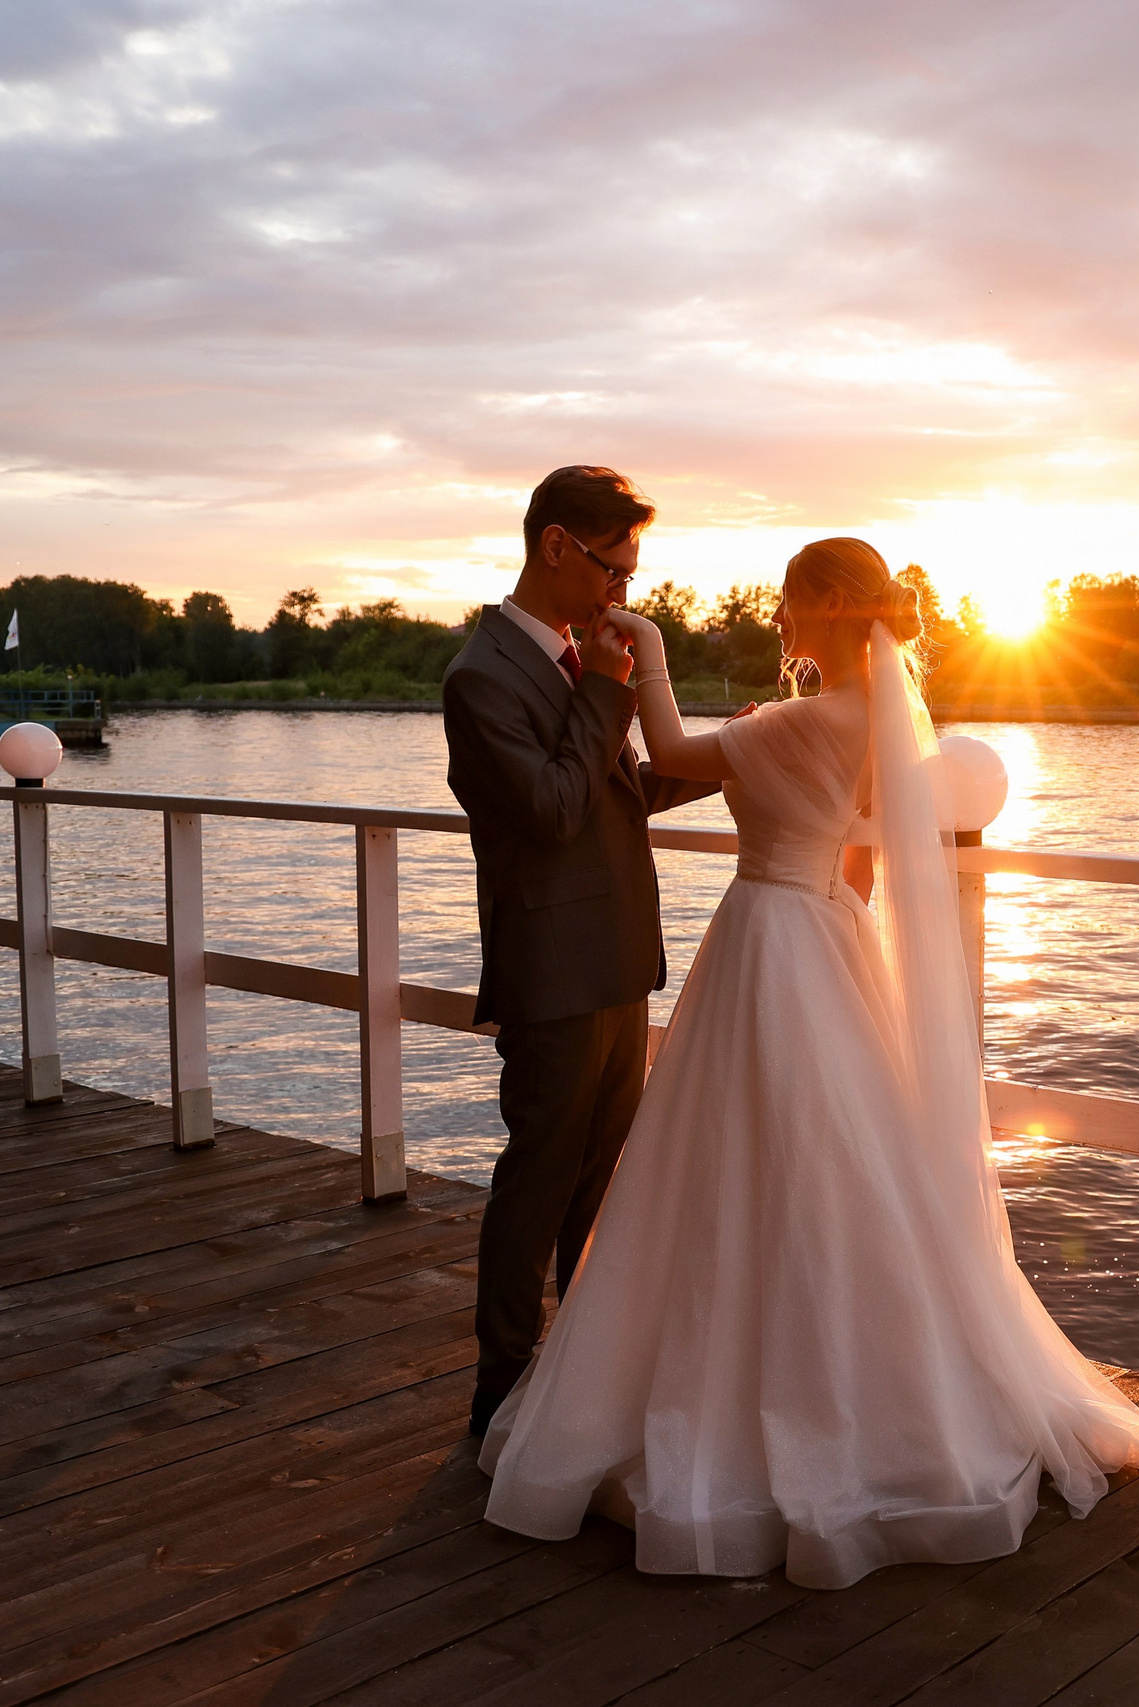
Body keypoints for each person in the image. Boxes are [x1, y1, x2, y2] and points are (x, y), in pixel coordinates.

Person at [478, 537, 1139, 1588]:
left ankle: (753, 1393)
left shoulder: (799, 721)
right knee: (840, 1166)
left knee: (733, 1165)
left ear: (831, 607)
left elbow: (665, 752)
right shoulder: (877, 724)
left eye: (791, 602)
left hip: (764, 940)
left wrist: (651, 649)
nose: (780, 619)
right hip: (831, 933)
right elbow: (857, 854)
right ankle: (873, 1383)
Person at [441, 465, 722, 1440]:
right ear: (557, 545)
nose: (623, 596)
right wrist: (607, 685)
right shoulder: (482, 678)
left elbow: (617, 794)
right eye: (614, 571)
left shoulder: (567, 663)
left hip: (613, 962)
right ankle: (503, 1399)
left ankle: (587, 1385)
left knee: (603, 1187)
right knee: (538, 1186)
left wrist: (740, 757)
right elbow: (554, 811)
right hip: (551, 972)